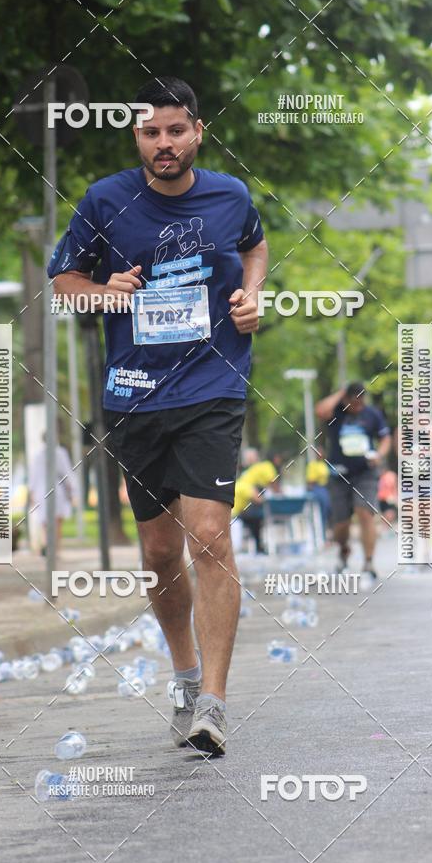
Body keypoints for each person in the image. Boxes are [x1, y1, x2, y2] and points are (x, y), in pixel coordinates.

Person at [48, 77, 268, 756]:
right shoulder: (105, 200)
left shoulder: (230, 196)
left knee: (209, 538)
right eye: (151, 132)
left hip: (214, 384)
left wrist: (253, 295)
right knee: (159, 551)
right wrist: (102, 292)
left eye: (176, 130)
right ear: (137, 137)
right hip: (136, 391)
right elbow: (63, 283)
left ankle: (215, 703)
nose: (164, 143)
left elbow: (255, 246)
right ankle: (183, 672)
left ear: (197, 131)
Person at [315, 382, 391, 584]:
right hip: (338, 474)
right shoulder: (335, 413)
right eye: (353, 402)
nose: (358, 406)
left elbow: (385, 439)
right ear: (345, 399)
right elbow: (320, 410)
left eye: (361, 402)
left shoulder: (372, 414)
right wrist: (341, 392)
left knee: (364, 512)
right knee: (341, 524)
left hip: (365, 473)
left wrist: (379, 455)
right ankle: (343, 548)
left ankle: (368, 561)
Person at [28, 432, 76, 559]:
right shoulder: (60, 453)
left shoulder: (37, 455)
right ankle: (56, 550)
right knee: (57, 522)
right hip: (57, 490)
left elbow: (33, 476)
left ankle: (47, 546)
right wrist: (71, 492)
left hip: (40, 492)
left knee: (45, 523)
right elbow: (67, 474)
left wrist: (31, 493)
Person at [231, 453, 281, 553]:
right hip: (234, 516)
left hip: (235, 513)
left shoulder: (245, 478)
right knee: (256, 519)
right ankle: (259, 547)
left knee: (255, 519)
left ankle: (258, 546)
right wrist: (279, 494)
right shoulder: (267, 467)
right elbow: (272, 483)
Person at [306, 449, 331, 538]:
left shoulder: (324, 464)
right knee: (320, 514)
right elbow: (310, 481)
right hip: (317, 489)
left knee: (327, 512)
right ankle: (320, 537)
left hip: (325, 489)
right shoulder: (312, 465)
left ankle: (325, 535)